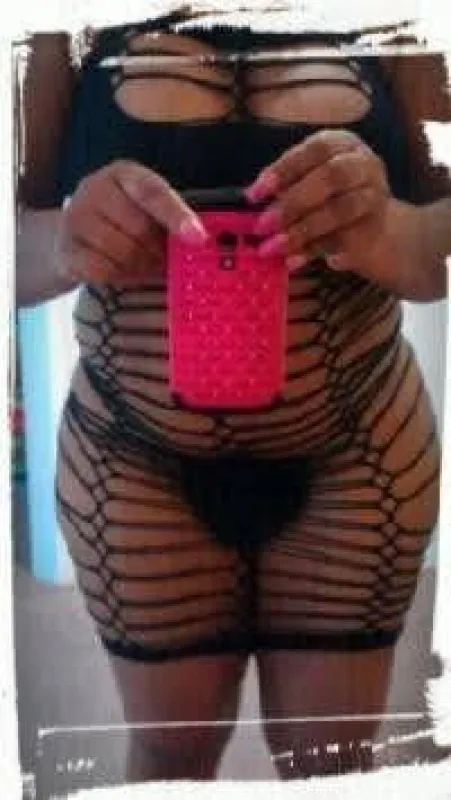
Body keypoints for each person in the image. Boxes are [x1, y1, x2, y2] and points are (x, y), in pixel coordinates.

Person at [15, 4, 451, 781]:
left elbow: (437, 243)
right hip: (133, 462)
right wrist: (64, 240)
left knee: (333, 765)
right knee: (168, 755)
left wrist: (388, 230)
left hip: (358, 452)